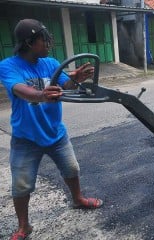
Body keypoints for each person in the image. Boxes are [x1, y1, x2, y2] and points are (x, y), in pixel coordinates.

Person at [0, 19, 103, 240]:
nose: (48, 43)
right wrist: (41, 95)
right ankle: (23, 226)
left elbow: (66, 85)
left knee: (72, 169)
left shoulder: (50, 62)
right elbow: (19, 90)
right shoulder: (8, 66)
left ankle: (77, 199)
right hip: (25, 138)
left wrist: (76, 80)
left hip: (56, 133)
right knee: (22, 184)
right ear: (29, 42)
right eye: (43, 39)